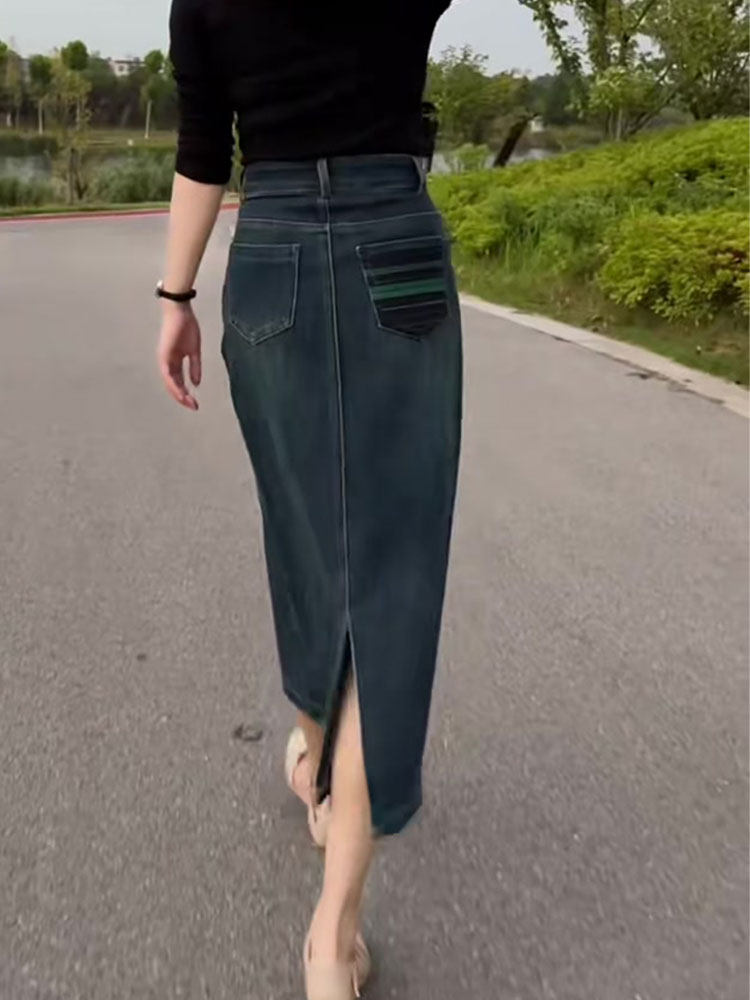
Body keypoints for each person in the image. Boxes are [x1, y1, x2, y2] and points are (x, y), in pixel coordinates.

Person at [157, 2, 462, 996]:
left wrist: (175, 297)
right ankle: (334, 936)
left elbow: (204, 148)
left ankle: (323, 774)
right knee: (392, 575)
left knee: (306, 547)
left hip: (272, 252)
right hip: (396, 246)